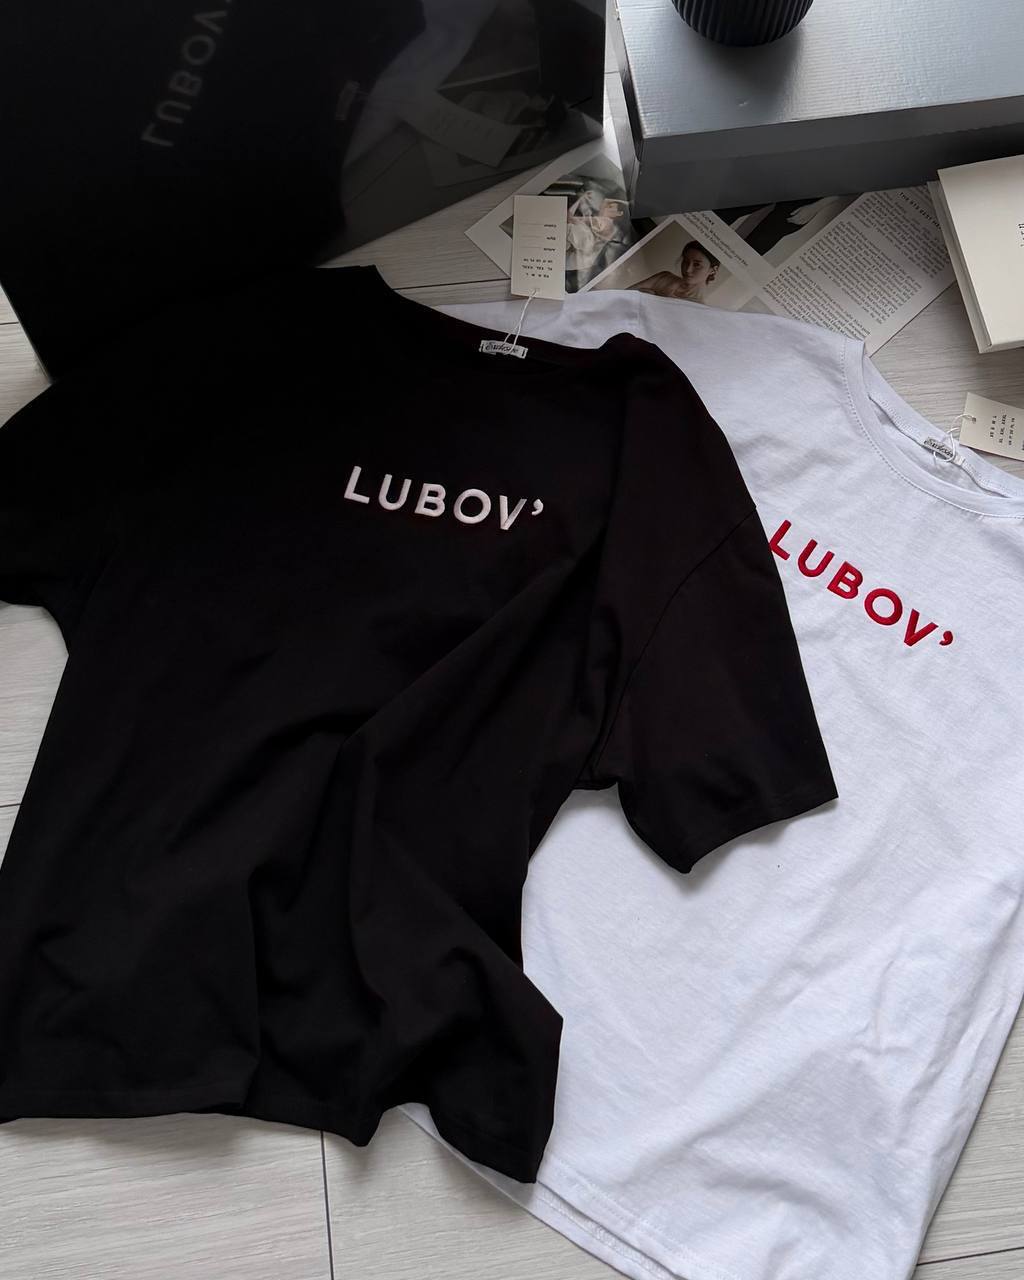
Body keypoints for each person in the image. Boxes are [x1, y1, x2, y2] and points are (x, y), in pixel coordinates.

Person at [632, 240, 720, 304]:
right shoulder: (664, 278)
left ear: (713, 270)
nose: (688, 270)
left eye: (697, 265)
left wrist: (648, 294)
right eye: (685, 261)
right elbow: (627, 293)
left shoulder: (699, 308)